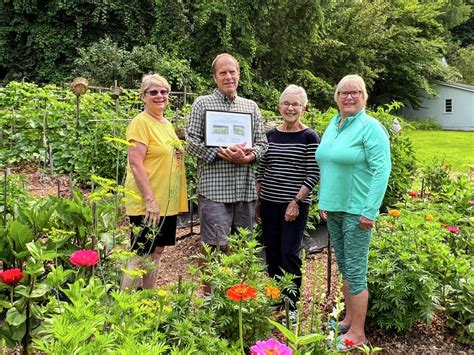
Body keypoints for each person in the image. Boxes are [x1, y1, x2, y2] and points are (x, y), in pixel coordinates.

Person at [315, 74, 391, 350]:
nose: (349, 97)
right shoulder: (334, 124)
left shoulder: (370, 128)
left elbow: (382, 170)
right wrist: (324, 200)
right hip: (334, 208)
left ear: (364, 97)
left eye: (355, 92)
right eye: (343, 93)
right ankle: (348, 318)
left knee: (356, 271)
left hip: (357, 210)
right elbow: (328, 163)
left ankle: (358, 334)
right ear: (336, 97)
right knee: (346, 267)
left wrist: (370, 211)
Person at [185, 53, 268, 292]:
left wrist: (249, 156)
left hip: (243, 189)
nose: (228, 77)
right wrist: (221, 153)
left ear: (239, 75)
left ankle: (238, 297)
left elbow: (263, 143)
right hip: (214, 190)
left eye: (232, 72)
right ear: (215, 77)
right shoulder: (202, 104)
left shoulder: (250, 107)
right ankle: (212, 298)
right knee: (213, 246)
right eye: (223, 73)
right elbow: (190, 141)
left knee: (242, 246)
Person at [256, 85, 320, 321]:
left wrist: (296, 202)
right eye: (286, 103)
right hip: (269, 203)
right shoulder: (270, 135)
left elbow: (313, 173)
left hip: (294, 205)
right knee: (271, 251)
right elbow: (262, 170)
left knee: (289, 253)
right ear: (279, 106)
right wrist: (257, 202)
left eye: (296, 104)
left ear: (304, 108)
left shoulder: (309, 137)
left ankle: (292, 304)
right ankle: (276, 296)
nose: (290, 108)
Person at [122, 73, 188, 290]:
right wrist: (149, 199)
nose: (159, 96)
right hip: (148, 201)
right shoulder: (140, 123)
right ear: (143, 96)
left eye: (164, 91)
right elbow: (135, 163)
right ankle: (122, 306)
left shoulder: (166, 124)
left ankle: (147, 299)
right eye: (153, 92)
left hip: (165, 201)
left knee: (157, 250)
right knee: (141, 251)